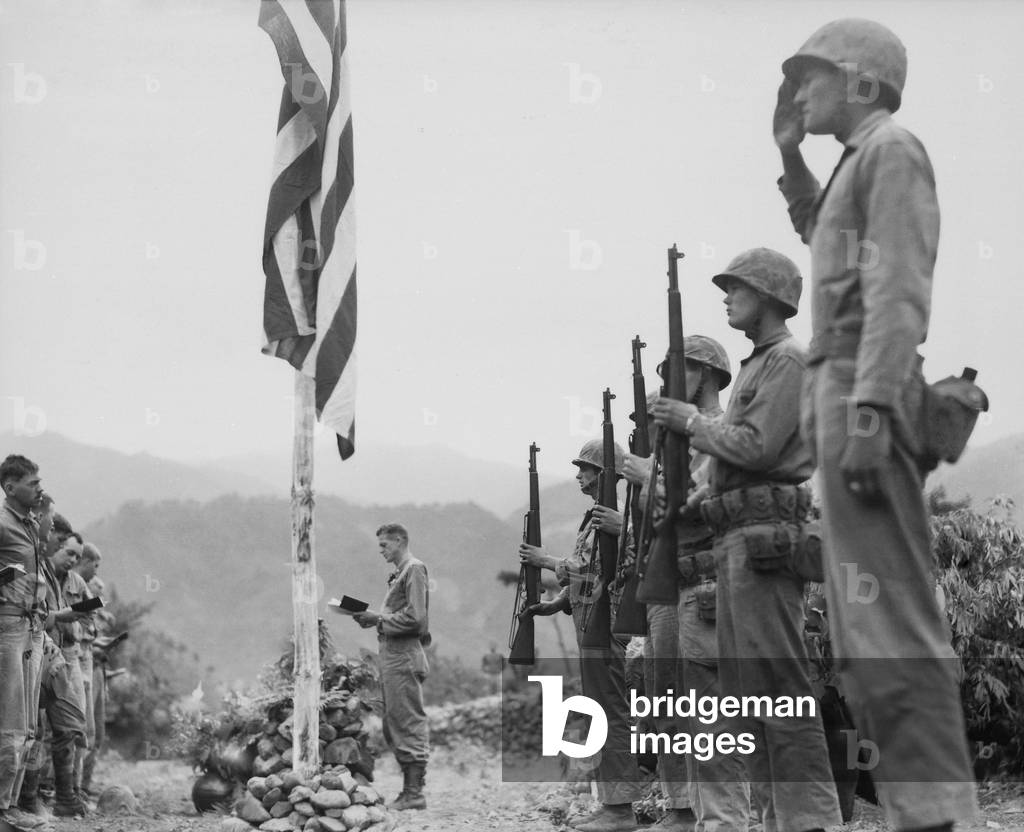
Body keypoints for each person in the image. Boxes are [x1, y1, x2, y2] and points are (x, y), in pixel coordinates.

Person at [774, 18, 977, 831]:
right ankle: (922, 813)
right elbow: (829, 238)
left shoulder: (893, 149)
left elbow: (897, 291)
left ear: (862, 77)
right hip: (846, 390)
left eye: (811, 74)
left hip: (865, 390)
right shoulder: (861, 162)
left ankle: (939, 816)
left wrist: (868, 408)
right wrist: (790, 154)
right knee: (867, 631)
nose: (797, 89)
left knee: (891, 622)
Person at [652, 249, 842, 832]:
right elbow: (738, 461)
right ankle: (772, 819)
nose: (727, 296)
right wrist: (693, 498)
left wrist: (690, 422)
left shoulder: (788, 359)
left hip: (763, 543)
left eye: (738, 287)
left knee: (780, 691)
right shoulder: (760, 363)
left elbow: (757, 448)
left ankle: (811, 822)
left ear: (770, 295)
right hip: (736, 539)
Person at [625, 337, 752, 832]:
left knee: (713, 721)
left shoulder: (719, 431)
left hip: (710, 587)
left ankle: (723, 821)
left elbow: (692, 504)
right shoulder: (683, 439)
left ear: (707, 373)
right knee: (690, 717)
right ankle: (704, 818)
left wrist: (647, 477)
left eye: (678, 369)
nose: (667, 380)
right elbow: (655, 520)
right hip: (683, 585)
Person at [520, 439, 644, 832]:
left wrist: (547, 561)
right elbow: (591, 575)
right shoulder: (594, 521)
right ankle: (611, 803)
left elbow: (610, 572)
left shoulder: (619, 521)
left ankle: (620, 809)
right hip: (590, 623)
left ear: (604, 475)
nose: (579, 475)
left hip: (606, 626)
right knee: (601, 713)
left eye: (585, 468)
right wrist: (559, 602)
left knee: (611, 714)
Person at [351, 524, 430, 811]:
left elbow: (417, 619)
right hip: (393, 655)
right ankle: (410, 790)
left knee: (407, 720)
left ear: (399, 541)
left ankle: (414, 792)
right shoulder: (400, 573)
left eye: (385, 545)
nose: (381, 551)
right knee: (394, 721)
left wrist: (378, 620)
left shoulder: (414, 570)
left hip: (404, 656)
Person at [0, 455, 48, 831]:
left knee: (28, 724)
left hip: (32, 626)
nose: (38, 488)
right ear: (9, 486)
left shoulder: (30, 525)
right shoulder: (1, 524)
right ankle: (3, 808)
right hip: (9, 624)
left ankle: (14, 804)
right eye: (32, 483)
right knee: (12, 720)